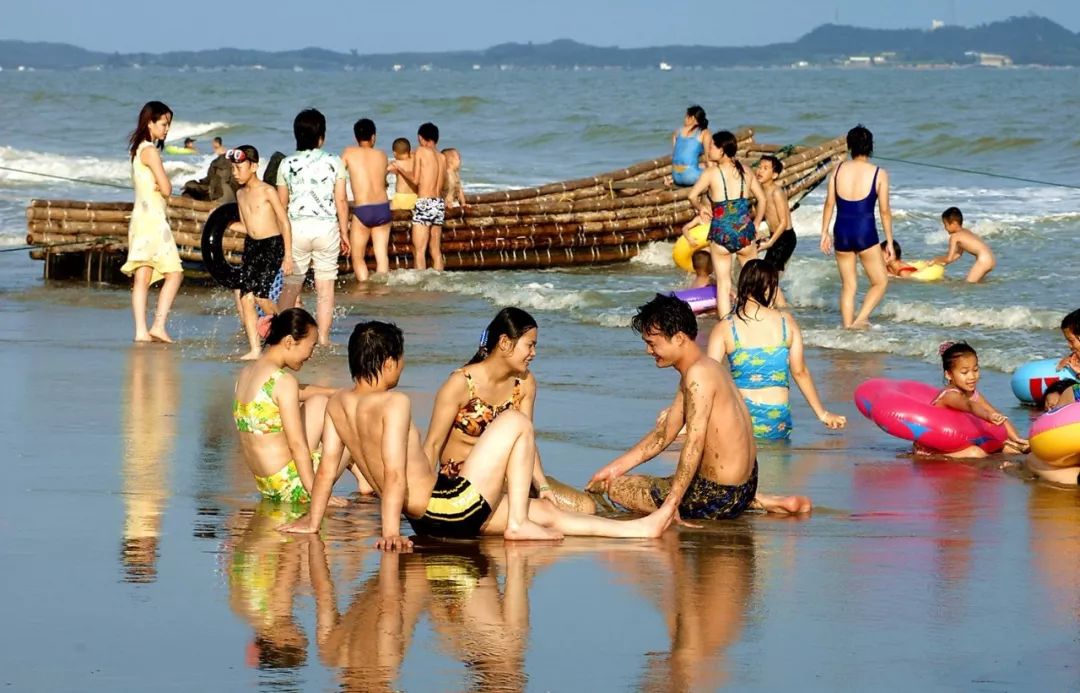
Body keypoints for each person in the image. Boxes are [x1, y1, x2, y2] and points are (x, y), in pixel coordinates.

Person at [278, 320, 676, 545]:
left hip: (430, 518)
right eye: (400, 361)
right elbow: (394, 473)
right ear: (386, 362)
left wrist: (312, 522)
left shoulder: (337, 404)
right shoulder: (393, 404)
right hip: (445, 508)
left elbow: (328, 469)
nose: (402, 370)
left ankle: (638, 529)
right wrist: (388, 534)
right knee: (517, 422)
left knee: (549, 514)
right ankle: (518, 524)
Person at [586, 294, 812, 520]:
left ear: (679, 338)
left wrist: (671, 504)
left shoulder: (697, 376)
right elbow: (664, 434)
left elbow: (694, 442)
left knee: (619, 488)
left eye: (652, 343)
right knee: (630, 479)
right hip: (744, 487)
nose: (649, 351)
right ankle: (764, 500)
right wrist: (613, 468)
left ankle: (734, 504)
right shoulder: (709, 367)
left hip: (717, 495)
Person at [423, 308, 596, 513]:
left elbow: (527, 443)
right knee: (548, 514)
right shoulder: (460, 384)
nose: (534, 353)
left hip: (510, 478)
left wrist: (543, 485)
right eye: (530, 345)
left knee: (585, 507)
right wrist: (421, 498)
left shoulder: (524, 383)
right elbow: (433, 444)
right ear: (505, 343)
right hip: (464, 482)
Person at [707, 260, 846, 440]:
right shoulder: (785, 322)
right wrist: (823, 414)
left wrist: (686, 420)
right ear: (768, 287)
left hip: (740, 416)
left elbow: (708, 376)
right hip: (777, 418)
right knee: (778, 465)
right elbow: (800, 372)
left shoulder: (726, 327)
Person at [233, 308, 359, 504]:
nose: (311, 354)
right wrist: (315, 493)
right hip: (293, 488)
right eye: (311, 346)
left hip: (269, 486)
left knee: (319, 402)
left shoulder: (248, 373)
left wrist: (333, 392)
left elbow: (296, 393)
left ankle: (360, 476)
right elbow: (297, 445)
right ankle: (369, 477)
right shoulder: (285, 382)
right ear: (290, 342)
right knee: (348, 415)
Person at [276, 108, 350, 346]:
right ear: (322, 136)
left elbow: (281, 206)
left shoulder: (286, 164)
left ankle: (282, 335)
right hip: (326, 229)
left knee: (291, 287)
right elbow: (341, 200)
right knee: (325, 289)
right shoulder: (334, 162)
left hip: (296, 229)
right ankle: (324, 338)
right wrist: (345, 232)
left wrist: (282, 238)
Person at [820, 124, 895, 329]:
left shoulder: (836, 171)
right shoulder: (879, 173)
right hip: (865, 232)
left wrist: (824, 233)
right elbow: (885, 211)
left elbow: (829, 204)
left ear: (850, 146)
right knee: (880, 282)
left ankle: (846, 328)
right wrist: (888, 240)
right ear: (870, 146)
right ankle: (860, 319)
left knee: (849, 286)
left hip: (841, 231)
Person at [121, 100, 183, 343]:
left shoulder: (137, 150)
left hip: (140, 218)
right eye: (163, 123)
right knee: (175, 273)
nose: (167, 129)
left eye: (168, 124)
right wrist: (164, 185)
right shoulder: (151, 151)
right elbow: (167, 188)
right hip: (154, 221)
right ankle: (158, 324)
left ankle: (140, 332)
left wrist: (159, 186)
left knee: (142, 276)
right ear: (150, 123)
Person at [686, 131, 767, 317]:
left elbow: (691, 196)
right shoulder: (746, 171)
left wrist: (701, 208)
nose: (709, 149)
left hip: (722, 232)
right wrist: (755, 223)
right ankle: (755, 318)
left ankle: (725, 325)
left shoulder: (711, 173)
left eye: (713, 146)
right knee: (752, 282)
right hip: (744, 232)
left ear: (722, 150)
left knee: (724, 285)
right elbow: (762, 199)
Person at [229, 145, 293, 360]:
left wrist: (288, 255)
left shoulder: (267, 191)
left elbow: (284, 222)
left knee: (261, 297)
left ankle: (285, 333)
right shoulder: (239, 194)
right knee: (245, 297)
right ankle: (255, 349)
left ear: (254, 166)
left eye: (239, 168)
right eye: (233, 168)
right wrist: (225, 225)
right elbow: (248, 226)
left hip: (272, 245)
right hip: (252, 246)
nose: (235, 172)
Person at [921, 341, 1028, 458]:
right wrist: (987, 416)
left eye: (975, 370)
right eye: (964, 372)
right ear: (948, 375)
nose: (972, 376)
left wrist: (1017, 439)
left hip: (958, 441)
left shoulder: (972, 393)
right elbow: (970, 406)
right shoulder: (950, 396)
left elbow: (996, 414)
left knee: (1011, 448)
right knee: (976, 453)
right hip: (934, 447)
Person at [342, 118, 391, 281]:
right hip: (383, 207)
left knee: (358, 257)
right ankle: (382, 291)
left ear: (356, 137)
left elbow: (337, 175)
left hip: (363, 208)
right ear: (373, 137)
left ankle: (364, 288)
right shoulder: (382, 155)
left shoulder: (349, 152)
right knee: (382, 255)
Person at [392, 123, 446, 271]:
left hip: (425, 202)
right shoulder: (442, 157)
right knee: (435, 251)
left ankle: (421, 288)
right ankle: (438, 281)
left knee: (419, 251)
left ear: (421, 138)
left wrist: (400, 169)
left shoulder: (421, 151)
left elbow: (415, 179)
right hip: (438, 203)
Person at [755, 155, 797, 308]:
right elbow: (770, 220)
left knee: (768, 278)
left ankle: (781, 310)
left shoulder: (776, 192)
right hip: (775, 236)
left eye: (765, 169)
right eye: (759, 167)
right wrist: (764, 235)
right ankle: (774, 307)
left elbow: (783, 222)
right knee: (767, 277)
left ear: (774, 175)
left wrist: (770, 243)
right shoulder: (761, 191)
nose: (760, 171)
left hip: (785, 238)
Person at [931, 207, 996, 283]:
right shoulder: (966, 231)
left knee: (968, 284)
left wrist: (935, 260)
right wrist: (941, 263)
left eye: (946, 225)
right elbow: (957, 255)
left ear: (954, 223)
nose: (945, 228)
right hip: (991, 259)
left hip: (983, 260)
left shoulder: (954, 237)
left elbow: (949, 258)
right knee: (978, 283)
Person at [181, 136, 236, 203]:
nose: (212, 144)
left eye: (213, 142)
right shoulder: (232, 167)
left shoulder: (217, 161)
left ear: (216, 143)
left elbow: (208, 180)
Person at [671, 105, 711, 187]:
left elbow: (676, 155)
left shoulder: (677, 132)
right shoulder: (705, 133)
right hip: (690, 177)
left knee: (699, 166)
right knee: (711, 169)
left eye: (686, 117)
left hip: (675, 175)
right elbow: (708, 159)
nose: (684, 119)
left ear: (692, 118)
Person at [388, 138, 418, 212]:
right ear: (409, 151)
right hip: (414, 196)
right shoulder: (415, 161)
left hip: (401, 197)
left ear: (394, 153)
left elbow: (388, 169)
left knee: (389, 210)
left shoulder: (397, 163)